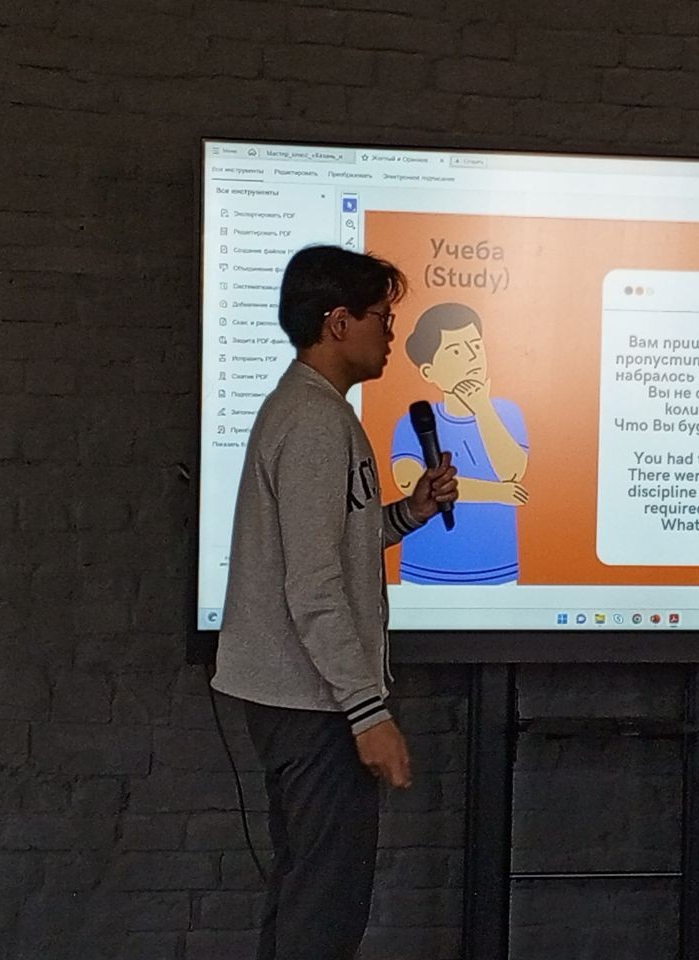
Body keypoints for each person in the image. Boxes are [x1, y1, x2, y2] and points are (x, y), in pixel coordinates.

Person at [212, 246, 458, 960]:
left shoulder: (314, 412)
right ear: (338, 322)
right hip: (311, 702)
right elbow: (313, 585)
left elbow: (333, 544)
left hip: (301, 698)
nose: (391, 334)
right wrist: (367, 712)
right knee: (324, 908)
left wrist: (408, 514)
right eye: (382, 317)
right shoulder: (314, 422)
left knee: (307, 895)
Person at [390, 301, 529, 584]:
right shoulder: (415, 419)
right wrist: (497, 492)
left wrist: (482, 407)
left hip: (497, 568)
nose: (472, 357)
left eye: (476, 346)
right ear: (428, 371)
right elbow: (410, 482)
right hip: (425, 569)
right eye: (455, 351)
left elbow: (513, 472)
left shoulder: (507, 413)